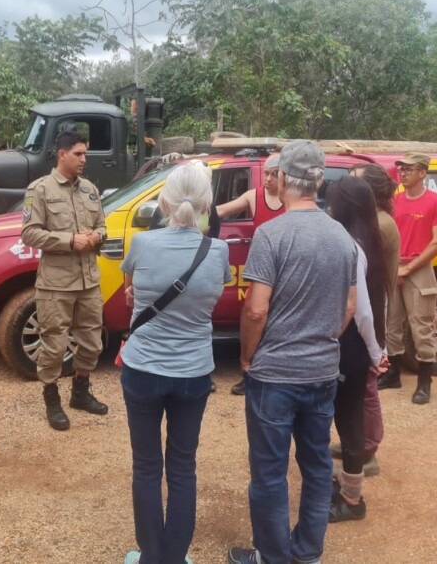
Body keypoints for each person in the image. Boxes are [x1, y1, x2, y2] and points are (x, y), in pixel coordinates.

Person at [229, 141, 358, 564]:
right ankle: (307, 552)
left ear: (283, 179)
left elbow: (257, 308)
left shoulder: (271, 234)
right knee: (317, 465)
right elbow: (350, 306)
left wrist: (248, 358)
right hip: (322, 372)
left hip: (274, 375)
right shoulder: (342, 236)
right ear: (319, 181)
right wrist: (322, 338)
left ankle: (271, 556)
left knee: (269, 472)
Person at [119, 160, 231, 564]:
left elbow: (131, 293)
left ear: (163, 201)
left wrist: (141, 297)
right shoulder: (217, 250)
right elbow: (210, 297)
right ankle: (174, 558)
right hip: (193, 372)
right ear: (207, 205)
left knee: (147, 466)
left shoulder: (143, 244)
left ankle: (150, 557)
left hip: (144, 369)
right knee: (182, 467)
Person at [21, 131, 109, 431]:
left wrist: (98, 235)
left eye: (85, 154)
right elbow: (29, 233)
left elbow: (102, 225)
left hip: (88, 282)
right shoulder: (40, 190)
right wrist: (69, 240)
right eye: (79, 154)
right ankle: (52, 399)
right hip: (56, 284)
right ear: (62, 154)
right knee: (54, 347)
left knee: (92, 344)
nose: (84, 159)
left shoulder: (90, 190)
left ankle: (80, 393)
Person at [324, 177, 388, 523]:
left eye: (332, 203)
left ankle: (351, 499)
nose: (328, 209)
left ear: (344, 208)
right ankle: (347, 489)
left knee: (347, 424)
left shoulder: (350, 247)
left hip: (349, 345)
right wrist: (380, 347)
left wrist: (376, 353)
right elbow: (382, 301)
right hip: (359, 346)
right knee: (348, 421)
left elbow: (362, 309)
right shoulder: (369, 241)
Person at [329, 164, 400, 477]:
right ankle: (356, 450)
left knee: (358, 402)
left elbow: (361, 305)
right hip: (366, 327)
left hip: (361, 329)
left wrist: (375, 349)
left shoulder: (363, 234)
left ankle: (363, 458)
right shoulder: (369, 228)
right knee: (356, 400)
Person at [379, 153, 437, 405]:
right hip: (393, 266)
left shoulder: (436, 202)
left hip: (418, 268)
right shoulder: (394, 201)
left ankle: (424, 383)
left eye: (410, 169)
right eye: (402, 169)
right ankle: (393, 374)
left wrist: (409, 269)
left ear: (423, 173)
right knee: (391, 324)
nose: (403, 173)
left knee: (421, 327)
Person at [216, 153, 284, 396]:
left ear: (285, 174)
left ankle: (273, 375)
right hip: (261, 274)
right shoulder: (254, 197)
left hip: (287, 275)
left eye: (273, 173)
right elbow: (220, 211)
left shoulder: (293, 201)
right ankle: (248, 372)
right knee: (252, 318)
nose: (266, 178)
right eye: (266, 173)